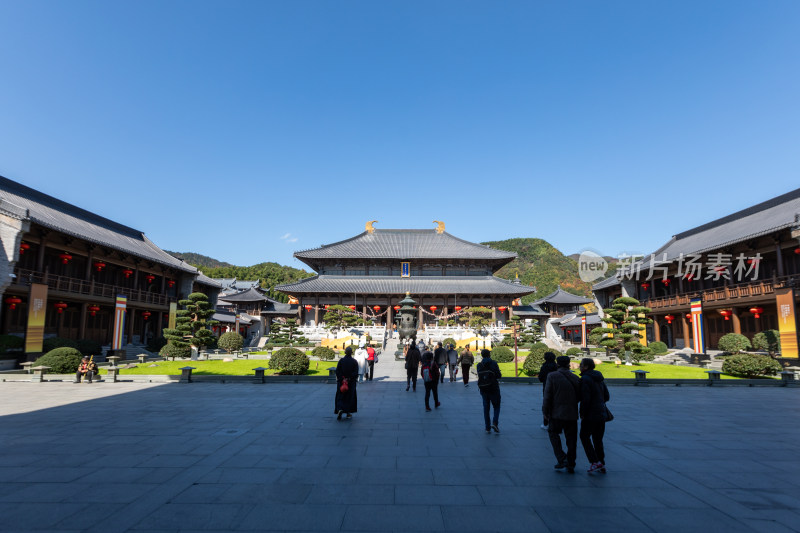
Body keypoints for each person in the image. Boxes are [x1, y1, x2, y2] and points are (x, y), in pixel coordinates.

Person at [542, 355, 581, 474]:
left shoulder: (552, 376)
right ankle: (571, 463)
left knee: (553, 433)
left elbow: (547, 395)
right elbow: (579, 395)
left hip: (556, 412)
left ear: (557, 364)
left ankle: (561, 458)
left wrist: (545, 411)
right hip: (571, 413)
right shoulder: (575, 377)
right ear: (569, 364)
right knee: (571, 439)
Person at [579, 358, 610, 473]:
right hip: (601, 413)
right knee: (598, 439)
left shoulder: (585, 379)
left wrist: (582, 413)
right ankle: (601, 462)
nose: (579, 366)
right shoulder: (599, 378)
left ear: (586, 367)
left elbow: (585, 399)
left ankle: (594, 461)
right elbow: (607, 396)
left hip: (590, 414)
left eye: (581, 365)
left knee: (584, 436)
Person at [476, 349, 502, 433]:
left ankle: (487, 427)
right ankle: (495, 422)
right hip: (493, 388)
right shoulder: (493, 363)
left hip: (483, 388)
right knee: (496, 406)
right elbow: (498, 375)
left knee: (486, 408)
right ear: (489, 355)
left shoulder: (479, 365)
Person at [334, 346, 359, 420]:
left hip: (342, 382)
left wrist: (342, 378)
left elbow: (338, 371)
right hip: (351, 382)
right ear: (351, 353)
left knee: (341, 396)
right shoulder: (354, 361)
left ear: (345, 352)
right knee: (350, 397)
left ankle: (340, 409)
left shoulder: (341, 361)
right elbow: (355, 372)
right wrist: (349, 378)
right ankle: (348, 412)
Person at [538, 352, 559, 429]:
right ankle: (556, 422)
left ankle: (546, 423)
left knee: (547, 404)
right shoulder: (556, 366)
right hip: (557, 388)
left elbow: (540, 378)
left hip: (546, 387)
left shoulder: (544, 366)